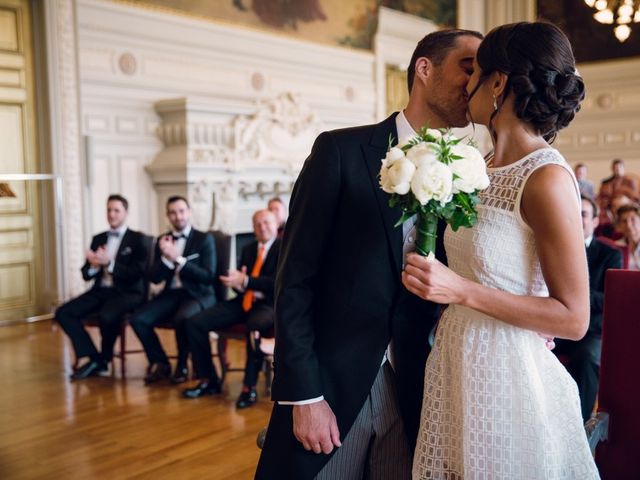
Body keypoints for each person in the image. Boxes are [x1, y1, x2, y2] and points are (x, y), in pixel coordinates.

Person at [256, 29, 483, 479]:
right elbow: (295, 280)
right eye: (468, 67)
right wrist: (304, 396)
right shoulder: (339, 151)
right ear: (424, 68)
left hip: (418, 393)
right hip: (332, 391)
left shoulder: (470, 171)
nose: (474, 83)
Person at [402, 22, 599, 478]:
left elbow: (573, 318)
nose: (466, 84)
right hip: (456, 361)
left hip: (511, 380)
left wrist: (462, 291)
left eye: (475, 72)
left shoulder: (545, 177)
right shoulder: (478, 166)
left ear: (497, 82)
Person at [182, 209, 281, 409]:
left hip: (269, 304)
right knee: (194, 323)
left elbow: (278, 282)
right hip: (244, 300)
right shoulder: (248, 248)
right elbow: (242, 279)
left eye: (266, 222)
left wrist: (246, 280)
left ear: (276, 224)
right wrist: (237, 283)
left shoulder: (285, 247)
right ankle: (209, 380)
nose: (262, 227)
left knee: (254, 328)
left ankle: (248, 388)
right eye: (257, 224)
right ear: (253, 228)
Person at [56, 194, 147, 379]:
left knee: (108, 314)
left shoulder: (138, 239)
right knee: (63, 313)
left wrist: (110, 264)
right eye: (109, 210)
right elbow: (85, 273)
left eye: (116, 210)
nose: (112, 215)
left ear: (126, 213)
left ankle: (104, 360)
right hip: (100, 291)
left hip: (127, 293)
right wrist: (94, 266)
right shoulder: (98, 238)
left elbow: (137, 273)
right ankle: (94, 357)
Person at [129, 196, 216, 385]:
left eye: (182, 211)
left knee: (182, 318)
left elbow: (208, 276)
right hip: (172, 294)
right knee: (138, 320)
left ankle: (182, 364)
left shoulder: (204, 239)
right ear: (168, 216)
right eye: (173, 213)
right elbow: (154, 277)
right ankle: (160, 363)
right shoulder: (163, 240)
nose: (178, 216)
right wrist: (167, 259)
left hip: (199, 294)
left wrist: (179, 259)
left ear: (189, 212)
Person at [554, 196, 622, 420]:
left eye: (583, 214)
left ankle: (580, 424)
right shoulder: (554, 246)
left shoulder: (610, 254)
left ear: (594, 221)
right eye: (573, 212)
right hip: (555, 322)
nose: (578, 218)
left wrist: (576, 293)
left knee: (586, 357)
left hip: (591, 329)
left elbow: (610, 298)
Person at [616, 204, 640, 270]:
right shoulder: (615, 247)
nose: (629, 225)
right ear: (619, 225)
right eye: (624, 221)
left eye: (633, 220)